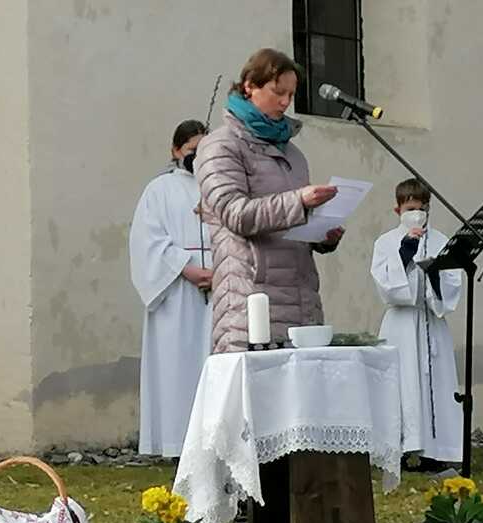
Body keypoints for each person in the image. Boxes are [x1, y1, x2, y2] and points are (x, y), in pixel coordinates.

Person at [194, 48, 344, 354]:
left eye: (291, 94)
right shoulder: (220, 145)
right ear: (250, 86)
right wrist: (299, 201)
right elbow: (235, 213)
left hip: (302, 302)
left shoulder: (293, 154)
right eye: (278, 92)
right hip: (249, 300)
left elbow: (290, 219)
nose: (286, 102)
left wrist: (321, 234)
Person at [129, 120, 213, 458]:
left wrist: (222, 269)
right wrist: (187, 268)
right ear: (176, 151)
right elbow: (147, 241)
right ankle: (178, 444)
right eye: (192, 150)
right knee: (177, 369)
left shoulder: (220, 185)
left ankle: (213, 444)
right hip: (176, 289)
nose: (198, 157)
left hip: (219, 286)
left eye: (205, 150)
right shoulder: (159, 190)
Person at [370, 178, 463, 470]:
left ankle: (434, 451)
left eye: (422, 208)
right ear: (397, 210)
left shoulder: (441, 241)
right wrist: (405, 256)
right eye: (410, 208)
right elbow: (385, 285)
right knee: (401, 384)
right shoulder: (386, 242)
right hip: (400, 324)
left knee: (435, 383)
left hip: (431, 323)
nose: (416, 214)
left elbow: (451, 283)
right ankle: (398, 449)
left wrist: (434, 275)